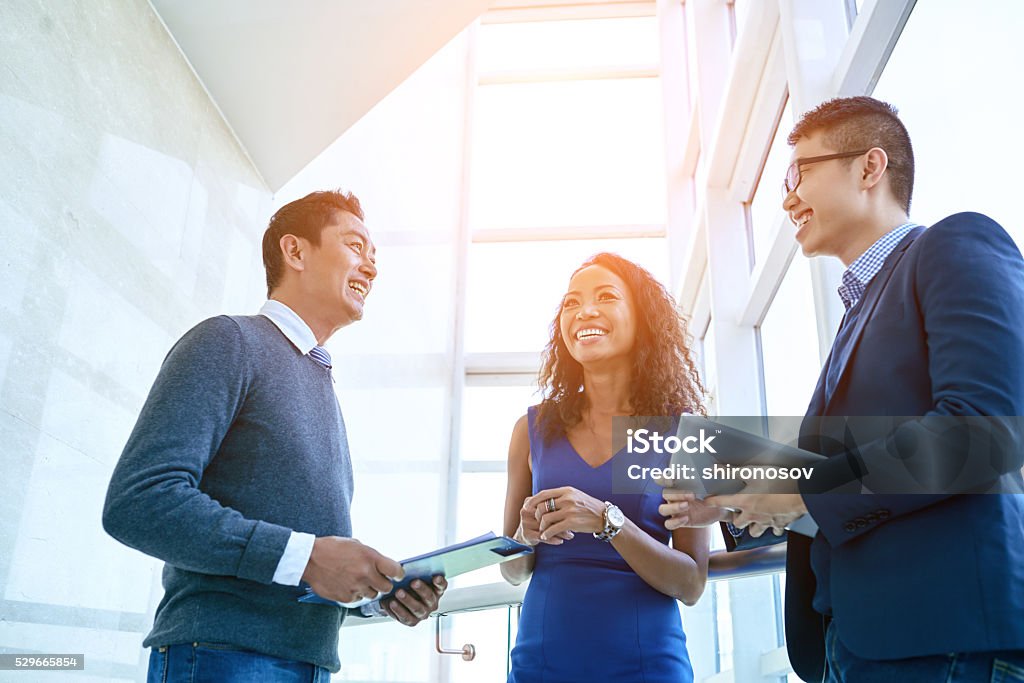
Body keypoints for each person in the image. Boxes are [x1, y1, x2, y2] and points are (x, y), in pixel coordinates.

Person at [662, 96, 1024, 682]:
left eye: (800, 171)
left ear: (869, 168)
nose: (786, 197)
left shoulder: (956, 244)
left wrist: (805, 494)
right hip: (854, 644)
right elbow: (860, 482)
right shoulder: (856, 316)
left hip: (945, 642)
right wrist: (741, 495)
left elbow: (983, 433)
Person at [103, 190, 447, 682]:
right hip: (224, 657)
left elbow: (292, 565)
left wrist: (376, 593)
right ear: (296, 251)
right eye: (355, 246)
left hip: (307, 662)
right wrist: (307, 558)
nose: (371, 268)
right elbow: (139, 502)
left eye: (375, 257)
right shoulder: (228, 341)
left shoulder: (319, 381)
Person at [501, 252, 710, 683]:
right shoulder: (530, 429)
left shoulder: (685, 431)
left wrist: (607, 520)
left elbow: (691, 584)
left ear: (642, 319)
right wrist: (525, 535)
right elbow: (512, 568)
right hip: (541, 666)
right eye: (572, 302)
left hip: (647, 667)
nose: (585, 311)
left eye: (605, 296)